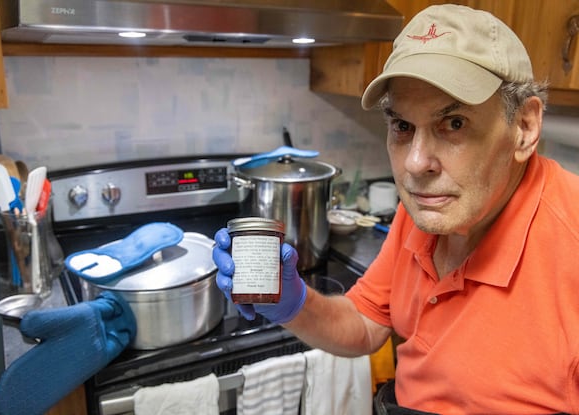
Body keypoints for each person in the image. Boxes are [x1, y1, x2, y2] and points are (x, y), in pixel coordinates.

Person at [213, 4, 579, 414]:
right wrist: (293, 303)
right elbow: (367, 323)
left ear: (524, 127)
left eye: (454, 123)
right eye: (403, 126)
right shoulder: (428, 211)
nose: (415, 164)